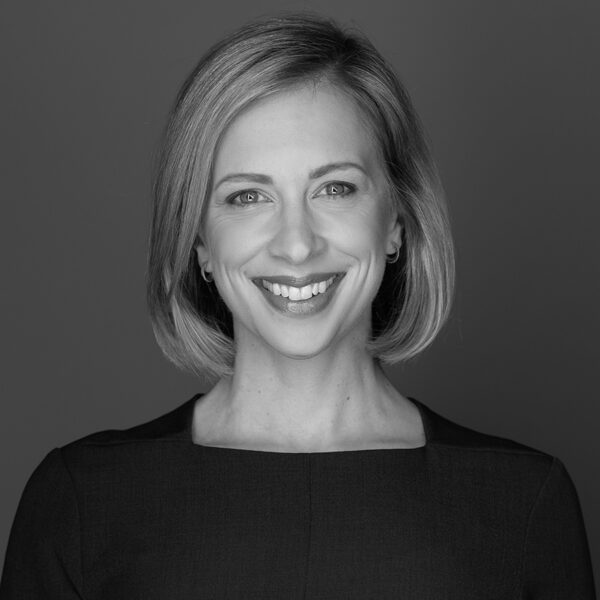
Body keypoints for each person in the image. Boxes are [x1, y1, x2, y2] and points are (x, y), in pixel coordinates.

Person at [0, 13, 595, 599]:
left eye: (334, 189)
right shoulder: (81, 503)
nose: (296, 244)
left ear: (397, 221)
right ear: (199, 241)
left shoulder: (523, 504)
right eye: (247, 196)